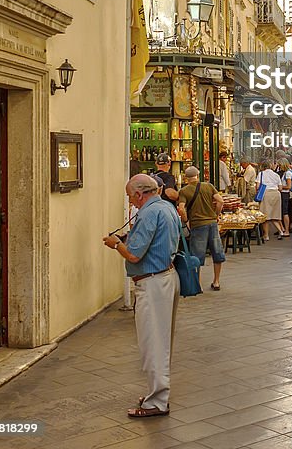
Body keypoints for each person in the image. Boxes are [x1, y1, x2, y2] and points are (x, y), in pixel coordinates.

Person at [103, 174, 181, 418]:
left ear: (139, 194)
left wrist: (116, 244)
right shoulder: (166, 207)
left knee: (153, 343)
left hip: (153, 281)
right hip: (166, 276)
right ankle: (156, 393)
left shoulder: (148, 212)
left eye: (130, 197)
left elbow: (135, 255)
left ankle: (157, 401)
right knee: (161, 341)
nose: (131, 202)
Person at [178, 166, 225, 291]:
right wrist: (216, 214)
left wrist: (186, 220)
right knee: (217, 252)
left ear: (186, 177)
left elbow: (181, 208)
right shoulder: (208, 186)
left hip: (197, 225)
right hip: (212, 223)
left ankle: (198, 283)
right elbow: (220, 201)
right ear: (197, 175)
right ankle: (216, 281)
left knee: (196, 255)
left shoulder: (184, 191)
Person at [256, 162, 285, 240]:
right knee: (275, 215)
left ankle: (266, 235)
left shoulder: (261, 174)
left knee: (265, 216)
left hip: (266, 194)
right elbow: (280, 188)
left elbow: (258, 186)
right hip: (276, 194)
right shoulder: (276, 175)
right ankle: (281, 231)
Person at [276, 159, 292, 235]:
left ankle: (286, 230)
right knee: (280, 212)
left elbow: (289, 186)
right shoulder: (281, 173)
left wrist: (280, 187)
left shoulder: (288, 173)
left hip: (284, 194)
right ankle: (281, 228)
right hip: (281, 193)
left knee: (284, 212)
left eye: (279, 165)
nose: (278, 167)